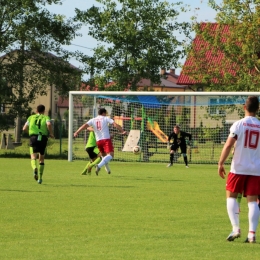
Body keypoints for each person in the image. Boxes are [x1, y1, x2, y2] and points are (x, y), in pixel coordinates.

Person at [218, 96, 260, 243]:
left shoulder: (239, 124)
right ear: (258, 109)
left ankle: (236, 228)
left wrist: (220, 163)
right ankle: (252, 234)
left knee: (231, 196)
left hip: (239, 167)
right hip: (256, 169)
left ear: (244, 107)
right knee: (253, 201)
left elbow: (229, 144)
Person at [74, 108, 126, 175]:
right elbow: (115, 124)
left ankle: (107, 170)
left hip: (99, 142)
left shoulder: (93, 120)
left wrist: (76, 132)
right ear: (103, 113)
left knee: (103, 156)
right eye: (106, 114)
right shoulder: (105, 118)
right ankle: (98, 166)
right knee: (111, 155)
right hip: (105, 140)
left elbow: (84, 126)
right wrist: (122, 131)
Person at [22, 104, 54, 184]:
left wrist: (30, 133)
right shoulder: (46, 117)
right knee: (41, 158)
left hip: (33, 138)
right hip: (43, 137)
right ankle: (40, 178)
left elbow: (24, 128)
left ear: (36, 110)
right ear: (44, 111)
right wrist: (51, 133)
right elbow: (49, 124)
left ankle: (34, 168)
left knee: (33, 156)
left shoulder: (31, 117)